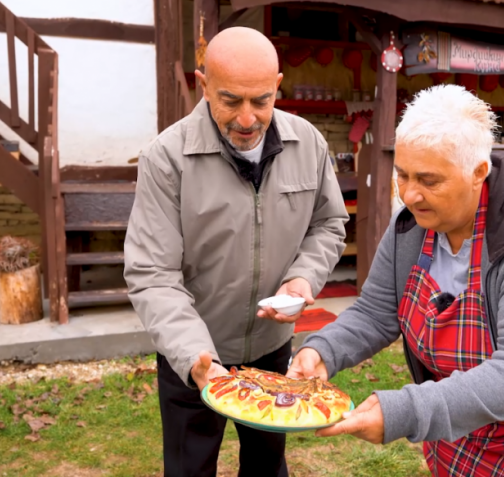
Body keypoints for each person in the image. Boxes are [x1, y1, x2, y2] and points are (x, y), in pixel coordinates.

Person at [289, 85, 504, 477]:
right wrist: (323, 351)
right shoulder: (410, 227)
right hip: (455, 420)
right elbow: (377, 312)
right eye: (403, 175)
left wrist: (407, 410)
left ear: (478, 173)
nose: (410, 194)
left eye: (429, 180)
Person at [124, 26, 348, 477]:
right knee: (190, 469)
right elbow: (152, 273)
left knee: (268, 467)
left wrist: (304, 277)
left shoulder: (310, 144)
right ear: (202, 84)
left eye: (261, 100)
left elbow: (328, 223)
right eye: (230, 100)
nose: (247, 119)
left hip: (271, 350)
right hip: (194, 355)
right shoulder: (165, 158)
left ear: (277, 86)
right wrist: (194, 358)